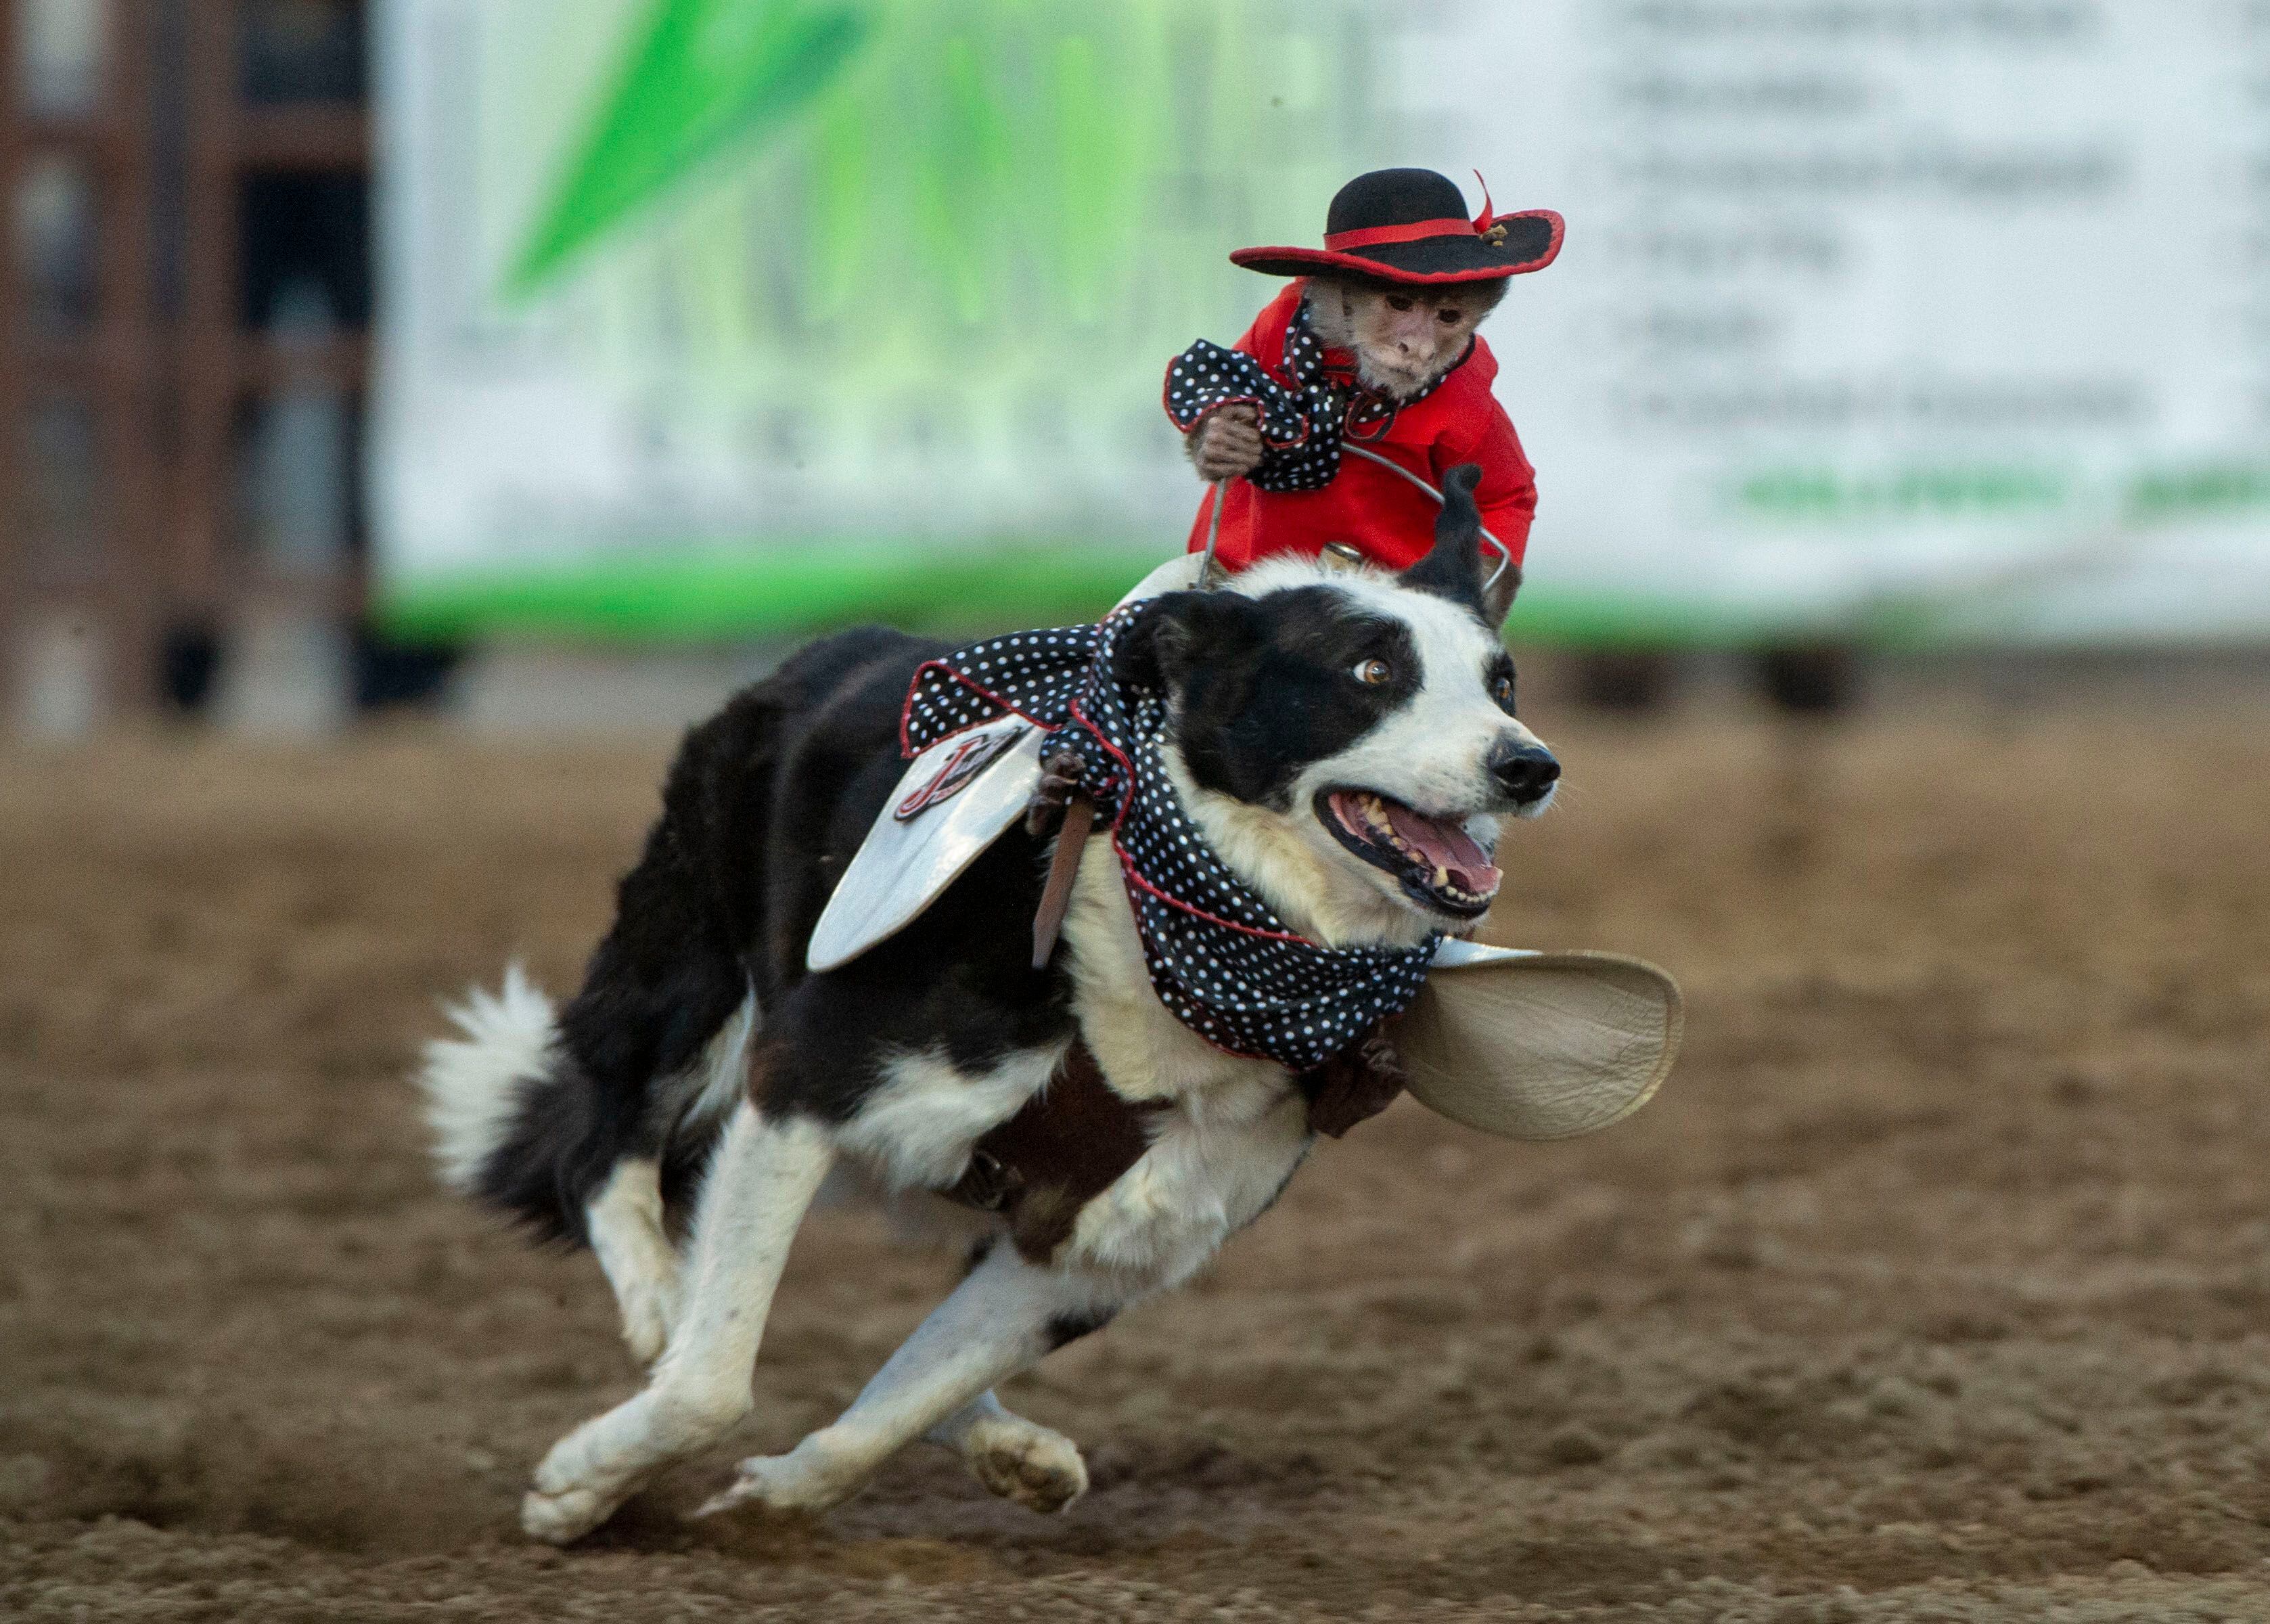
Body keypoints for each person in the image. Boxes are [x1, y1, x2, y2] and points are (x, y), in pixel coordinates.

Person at [1163, 167, 1561, 621]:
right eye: (1399, 303)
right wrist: (1216, 438)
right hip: (1247, 579)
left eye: (1448, 316)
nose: (1421, 346)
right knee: (1119, 655)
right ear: (1342, 292)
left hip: (1385, 606)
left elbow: (1504, 499)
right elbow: (1219, 395)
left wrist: (1469, 609)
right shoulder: (1281, 331)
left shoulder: (1462, 396)